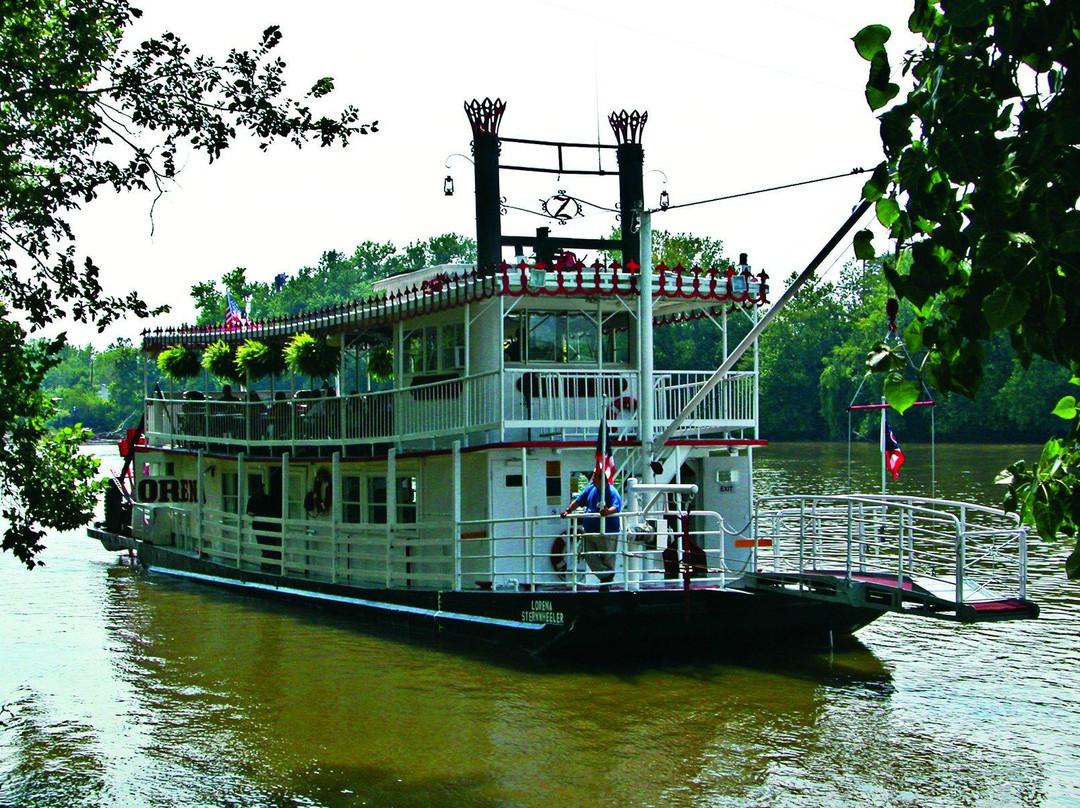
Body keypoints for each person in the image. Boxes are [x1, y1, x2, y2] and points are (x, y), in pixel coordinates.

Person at [560, 468, 622, 586]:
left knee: (607, 557)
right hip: (589, 531)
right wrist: (568, 511)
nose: (592, 479)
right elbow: (578, 501)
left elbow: (616, 506)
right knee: (586, 554)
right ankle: (606, 576)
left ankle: (606, 583)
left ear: (601, 479)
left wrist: (607, 512)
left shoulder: (611, 491)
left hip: (607, 532)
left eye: (595, 477)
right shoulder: (590, 489)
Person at [246, 480, 280, 572]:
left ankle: (270, 565)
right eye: (259, 488)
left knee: (271, 545)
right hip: (259, 526)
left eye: (261, 488)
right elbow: (250, 512)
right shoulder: (253, 499)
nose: (260, 490)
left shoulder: (267, 498)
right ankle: (266, 565)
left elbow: (273, 510)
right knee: (265, 546)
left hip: (269, 525)